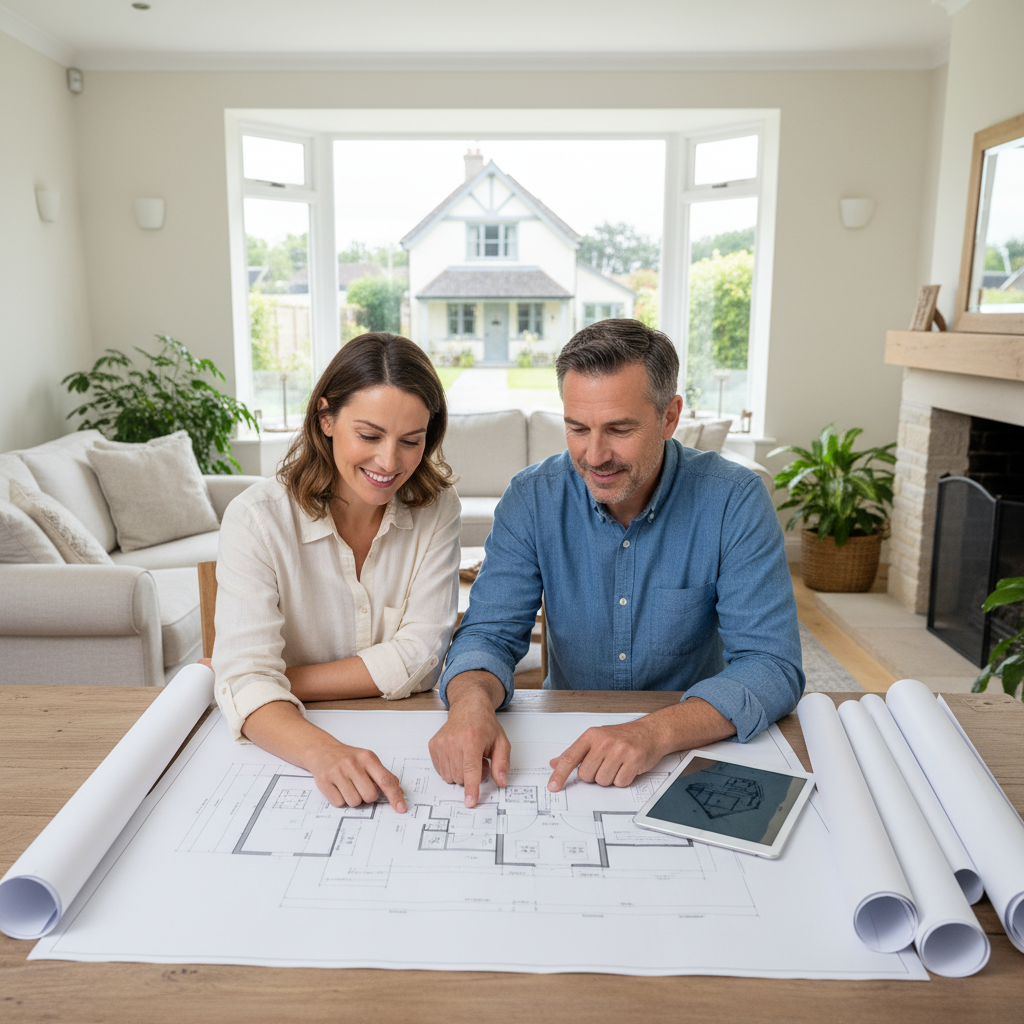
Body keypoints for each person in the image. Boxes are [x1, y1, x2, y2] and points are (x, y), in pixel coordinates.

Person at [429, 319, 803, 808]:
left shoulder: (733, 499)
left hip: (688, 745)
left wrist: (654, 732)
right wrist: (470, 704)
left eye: (620, 429)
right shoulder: (532, 497)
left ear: (670, 418)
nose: (594, 454)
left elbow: (771, 664)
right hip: (564, 750)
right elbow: (489, 635)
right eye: (577, 428)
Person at [212, 332, 460, 815]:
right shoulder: (256, 519)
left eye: (411, 441)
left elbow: (422, 659)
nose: (389, 463)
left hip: (402, 734)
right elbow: (245, 684)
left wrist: (277, 679)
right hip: (289, 750)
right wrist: (322, 752)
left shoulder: (438, 507)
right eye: (369, 436)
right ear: (325, 418)